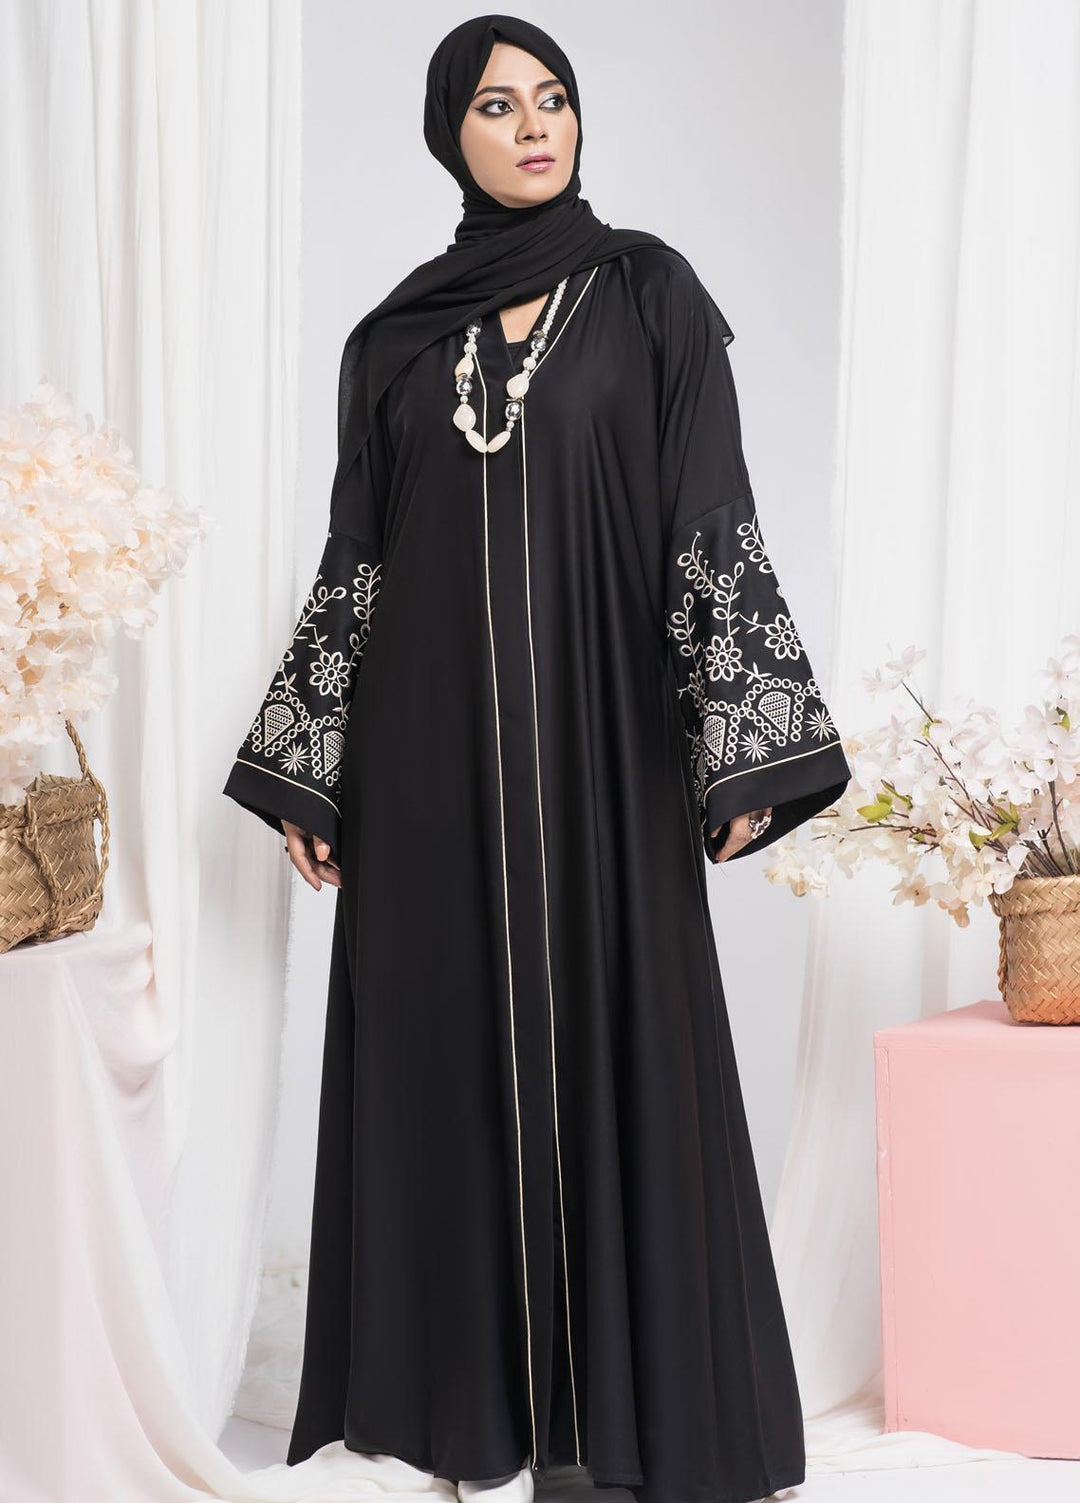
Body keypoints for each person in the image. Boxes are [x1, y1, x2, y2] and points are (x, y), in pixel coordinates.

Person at [223, 15, 851, 1503]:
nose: (533, 127)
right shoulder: (392, 341)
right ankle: (472, 1415)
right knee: (450, 1056)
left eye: (553, 99)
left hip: (605, 744)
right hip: (425, 763)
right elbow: (359, 557)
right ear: (449, 133)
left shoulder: (647, 294)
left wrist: (741, 745)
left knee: (620, 1040)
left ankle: (616, 1429)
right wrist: (314, 764)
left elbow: (710, 511)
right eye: (498, 106)